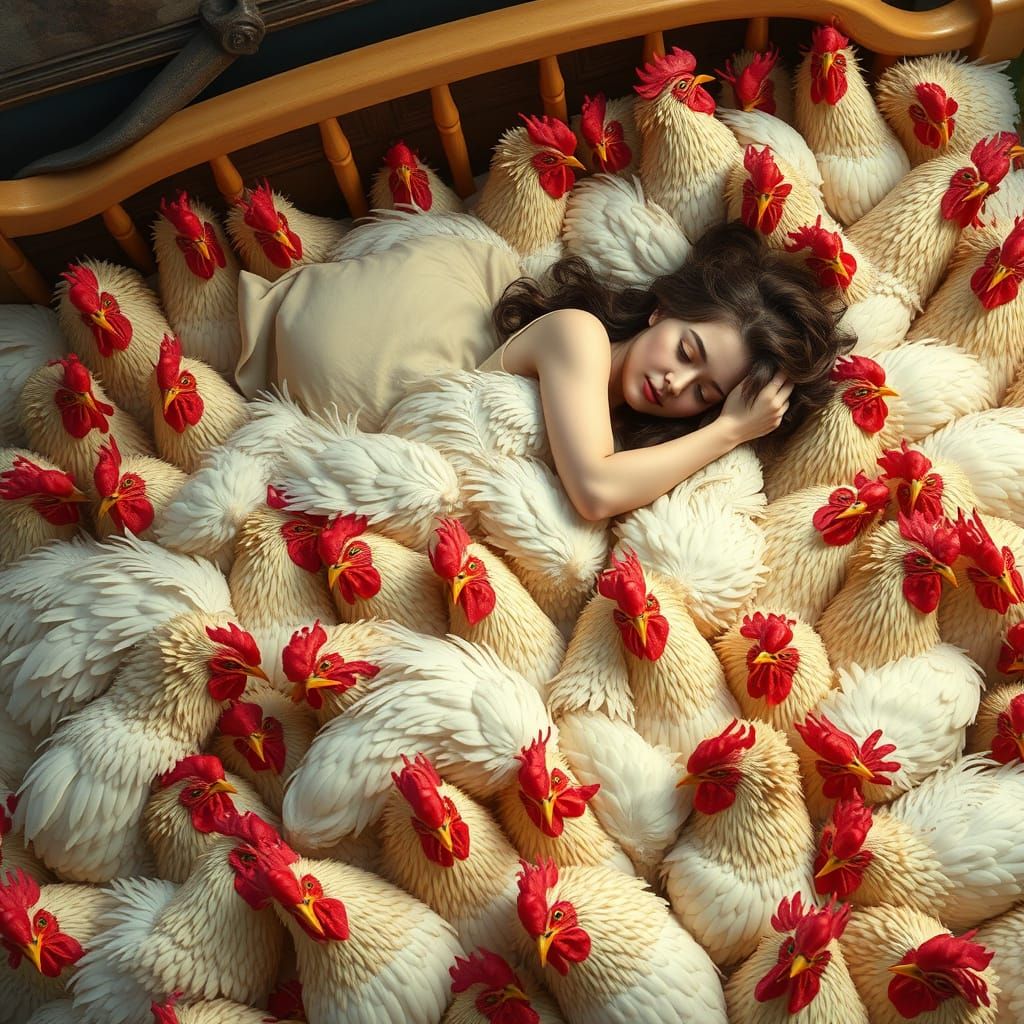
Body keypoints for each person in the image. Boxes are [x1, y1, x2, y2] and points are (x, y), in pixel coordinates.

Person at [480, 221, 855, 521]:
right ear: (661, 310)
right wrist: (730, 430)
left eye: (704, 393)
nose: (677, 383)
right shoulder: (578, 333)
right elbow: (595, 493)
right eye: (685, 351)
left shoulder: (624, 441)